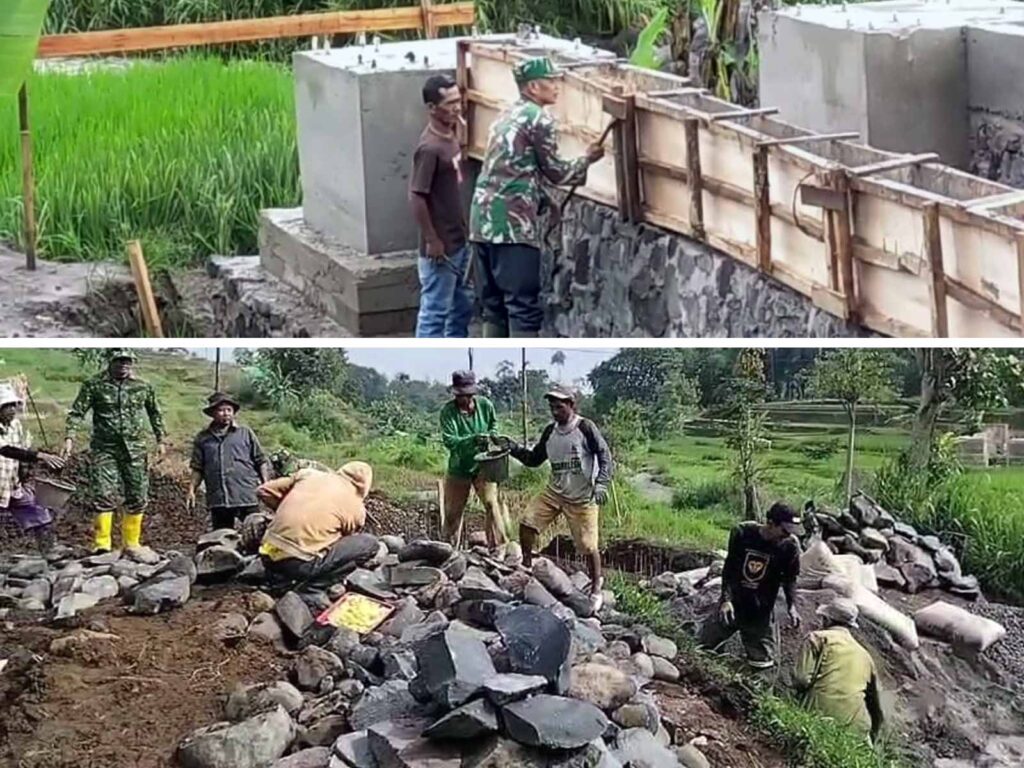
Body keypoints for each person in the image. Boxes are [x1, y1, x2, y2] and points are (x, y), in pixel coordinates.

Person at [469, 57, 605, 338]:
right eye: (551, 81)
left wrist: (543, 198)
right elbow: (557, 172)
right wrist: (587, 160)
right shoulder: (539, 119)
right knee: (522, 307)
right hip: (512, 228)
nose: (557, 87)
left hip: (481, 224)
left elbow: (509, 170)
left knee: (493, 307)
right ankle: (523, 368)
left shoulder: (505, 116)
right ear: (533, 87)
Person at [503, 386, 613, 612]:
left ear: (572, 405)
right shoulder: (550, 432)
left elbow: (604, 454)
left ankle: (596, 587)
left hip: (582, 497)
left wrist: (602, 482)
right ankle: (526, 565)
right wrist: (512, 448)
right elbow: (534, 459)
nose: (555, 411)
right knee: (527, 523)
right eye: (552, 407)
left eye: (560, 406)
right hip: (555, 492)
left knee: (588, 545)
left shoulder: (584, 427)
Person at [63, 349, 166, 554]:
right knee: (103, 493)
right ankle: (102, 544)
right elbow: (77, 412)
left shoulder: (143, 387)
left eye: (127, 362)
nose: (123, 365)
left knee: (137, 495)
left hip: (135, 449)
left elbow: (155, 413)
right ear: (110, 362)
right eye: (119, 361)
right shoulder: (94, 385)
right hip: (105, 449)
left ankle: (131, 543)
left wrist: (161, 440)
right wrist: (69, 437)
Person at [698, 502, 803, 669]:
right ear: (770, 523)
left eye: (791, 532)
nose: (787, 535)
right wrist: (726, 599)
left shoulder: (790, 546)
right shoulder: (743, 533)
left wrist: (792, 606)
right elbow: (729, 570)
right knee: (703, 645)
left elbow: (790, 578)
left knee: (764, 662)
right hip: (735, 601)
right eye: (784, 531)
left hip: (762, 608)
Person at [411, 74, 473, 338]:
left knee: (462, 307)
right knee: (435, 313)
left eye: (458, 101)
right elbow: (416, 196)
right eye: (449, 104)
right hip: (441, 248)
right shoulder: (430, 148)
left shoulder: (451, 134)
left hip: (459, 240)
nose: (456, 108)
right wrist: (432, 240)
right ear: (432, 108)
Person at [256, 461, 373, 588]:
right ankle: (312, 586)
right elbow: (345, 539)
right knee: (369, 543)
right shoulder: (356, 507)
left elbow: (264, 490)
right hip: (298, 566)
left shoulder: (308, 475)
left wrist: (289, 509)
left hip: (266, 554)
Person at [794, 599, 885, 743]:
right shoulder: (865, 656)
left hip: (818, 717)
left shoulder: (816, 638)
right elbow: (876, 705)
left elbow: (801, 679)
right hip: (856, 728)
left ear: (827, 619)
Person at [439, 370, 505, 550]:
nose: (464, 400)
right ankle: (448, 550)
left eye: (468, 396)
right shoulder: (448, 412)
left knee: (492, 505)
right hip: (459, 468)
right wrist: (472, 439)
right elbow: (450, 441)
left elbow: (493, 425)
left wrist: (491, 437)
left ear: (473, 393)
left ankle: (498, 548)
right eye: (460, 396)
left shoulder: (485, 405)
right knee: (453, 513)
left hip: (484, 466)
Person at [187, 392, 270, 531]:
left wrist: (266, 485)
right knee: (222, 536)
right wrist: (191, 491)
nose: (226, 414)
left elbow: (260, 460)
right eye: (221, 410)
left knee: (257, 532)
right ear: (213, 413)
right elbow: (197, 468)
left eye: (229, 410)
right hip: (219, 498)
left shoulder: (245, 433)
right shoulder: (203, 438)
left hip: (245, 494)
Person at [0, 384, 66, 550]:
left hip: (12, 484)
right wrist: (41, 456)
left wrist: (27, 475)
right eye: (7, 406)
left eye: (13, 405)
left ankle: (48, 552)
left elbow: (22, 452)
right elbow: (6, 450)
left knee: (38, 513)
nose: (12, 410)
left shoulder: (15, 425)